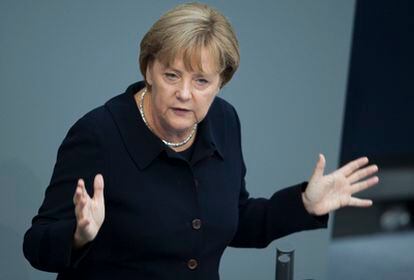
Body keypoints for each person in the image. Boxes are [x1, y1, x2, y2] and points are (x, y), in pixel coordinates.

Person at [23, 2, 379, 280]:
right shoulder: (98, 134)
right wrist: (79, 234)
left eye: (201, 81)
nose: (184, 94)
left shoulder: (223, 121)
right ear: (149, 70)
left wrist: (304, 203)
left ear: (221, 82)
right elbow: (36, 245)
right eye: (171, 75)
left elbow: (233, 219)